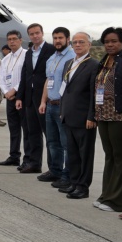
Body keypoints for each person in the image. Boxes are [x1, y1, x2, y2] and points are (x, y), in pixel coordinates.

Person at [92, 27, 122, 213]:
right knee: (109, 156)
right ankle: (107, 195)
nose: (110, 45)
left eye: (114, 41)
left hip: (120, 116)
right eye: (107, 42)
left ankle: (118, 201)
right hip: (103, 115)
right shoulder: (103, 62)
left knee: (121, 158)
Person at [57, 32, 99, 199]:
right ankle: (74, 182)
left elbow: (94, 94)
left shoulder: (93, 65)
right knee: (73, 153)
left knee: (85, 155)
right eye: (74, 42)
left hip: (84, 118)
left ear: (89, 44)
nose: (77, 45)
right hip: (68, 116)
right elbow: (64, 90)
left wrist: (92, 116)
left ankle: (83, 186)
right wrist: (62, 111)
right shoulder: (69, 63)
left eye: (81, 42)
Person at [37, 27, 74, 184]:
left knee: (66, 143)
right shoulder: (52, 58)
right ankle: (55, 170)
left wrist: (65, 106)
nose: (57, 41)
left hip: (62, 106)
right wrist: (43, 101)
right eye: (55, 38)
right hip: (50, 105)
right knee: (52, 141)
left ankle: (67, 174)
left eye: (60, 38)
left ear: (67, 39)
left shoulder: (72, 57)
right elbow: (48, 81)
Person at [15, 23, 49, 174]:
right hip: (29, 98)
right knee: (32, 133)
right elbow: (25, 76)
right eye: (32, 34)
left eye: (37, 33)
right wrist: (19, 97)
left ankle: (55, 168)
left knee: (49, 135)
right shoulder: (29, 53)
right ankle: (35, 164)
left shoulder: (51, 50)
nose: (35, 36)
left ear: (42, 33)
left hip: (44, 98)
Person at [0, 30, 28, 166]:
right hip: (9, 98)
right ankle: (14, 156)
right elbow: (1, 79)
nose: (12, 41)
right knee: (13, 129)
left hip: (23, 97)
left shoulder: (27, 55)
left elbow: (26, 77)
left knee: (27, 130)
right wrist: (6, 91)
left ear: (20, 40)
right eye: (9, 39)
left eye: (15, 39)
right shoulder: (5, 59)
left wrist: (14, 90)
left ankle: (29, 159)